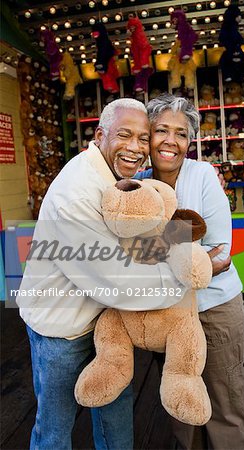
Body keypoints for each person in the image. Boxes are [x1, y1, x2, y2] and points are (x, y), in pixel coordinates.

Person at [16, 98, 195, 450]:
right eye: (124, 135)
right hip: (61, 331)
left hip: (105, 326)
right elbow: (114, 277)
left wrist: (180, 241)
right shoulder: (76, 193)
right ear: (99, 135)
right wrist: (180, 281)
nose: (136, 147)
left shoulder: (120, 179)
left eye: (144, 139)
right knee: (54, 432)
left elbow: (140, 234)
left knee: (116, 424)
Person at [136, 93, 244, 450]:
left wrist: (157, 252)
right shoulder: (134, 183)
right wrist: (181, 251)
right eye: (161, 131)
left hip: (214, 309)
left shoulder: (202, 176)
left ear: (190, 141)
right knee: (182, 408)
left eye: (181, 134)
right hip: (167, 315)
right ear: (147, 136)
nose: (171, 141)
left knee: (224, 405)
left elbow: (221, 253)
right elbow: (130, 252)